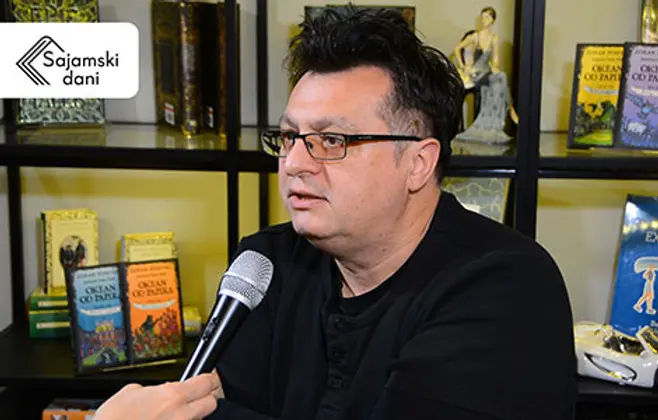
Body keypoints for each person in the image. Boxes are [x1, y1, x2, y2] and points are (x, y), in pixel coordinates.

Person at [94, 6, 576, 420]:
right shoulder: (268, 263)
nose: (294, 163)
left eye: (332, 140)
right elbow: (204, 402)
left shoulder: (506, 286)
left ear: (418, 163)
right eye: (290, 137)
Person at [452, 7, 519, 144]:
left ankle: (505, 114)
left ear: (493, 20)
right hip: (475, 74)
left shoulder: (494, 38)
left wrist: (495, 67)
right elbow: (457, 49)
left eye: (487, 17)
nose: (484, 20)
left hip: (486, 72)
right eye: (483, 17)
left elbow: (495, 60)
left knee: (501, 77)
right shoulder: (475, 36)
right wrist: (464, 66)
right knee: (502, 78)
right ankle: (511, 110)